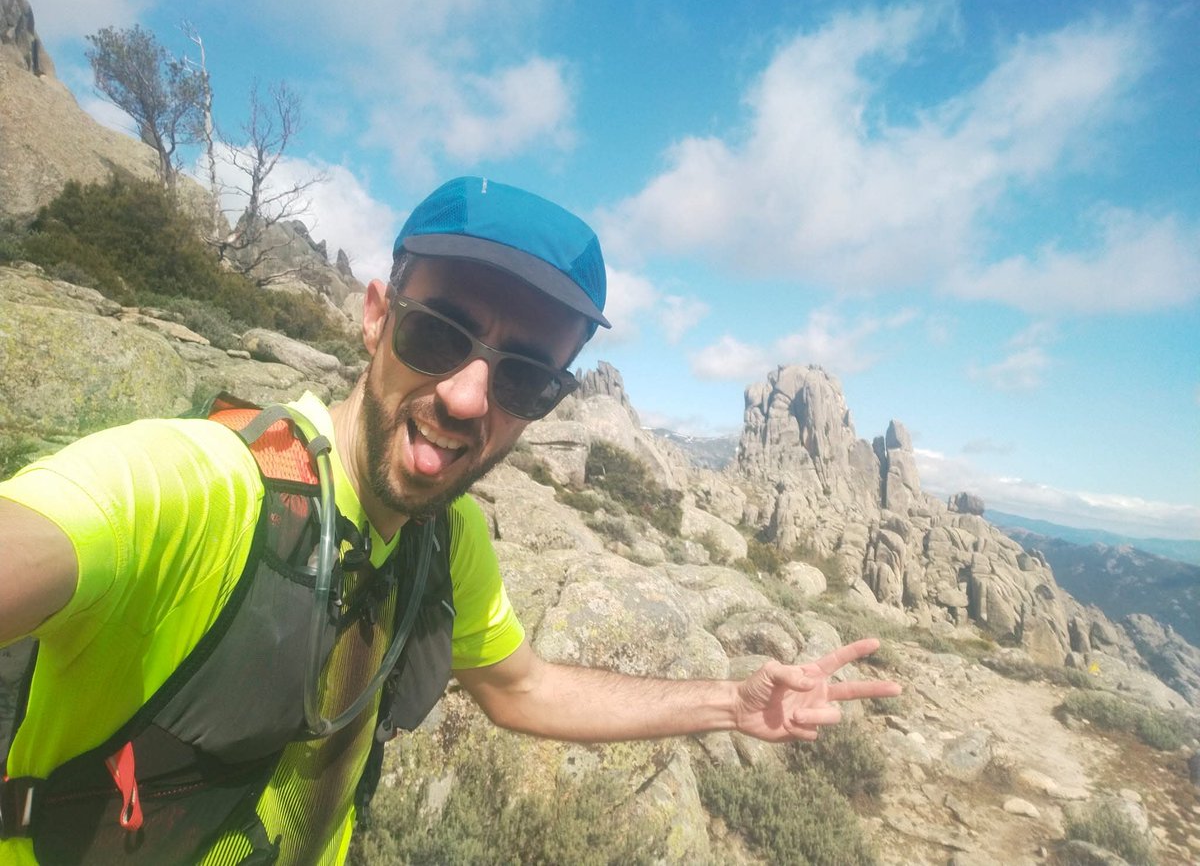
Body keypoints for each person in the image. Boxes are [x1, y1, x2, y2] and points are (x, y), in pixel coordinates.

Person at [0, 176, 901, 864]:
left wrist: (732, 703)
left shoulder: (446, 539)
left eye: (522, 378)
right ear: (376, 317)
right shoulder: (203, 487)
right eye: (439, 333)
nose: (470, 396)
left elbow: (521, 690)